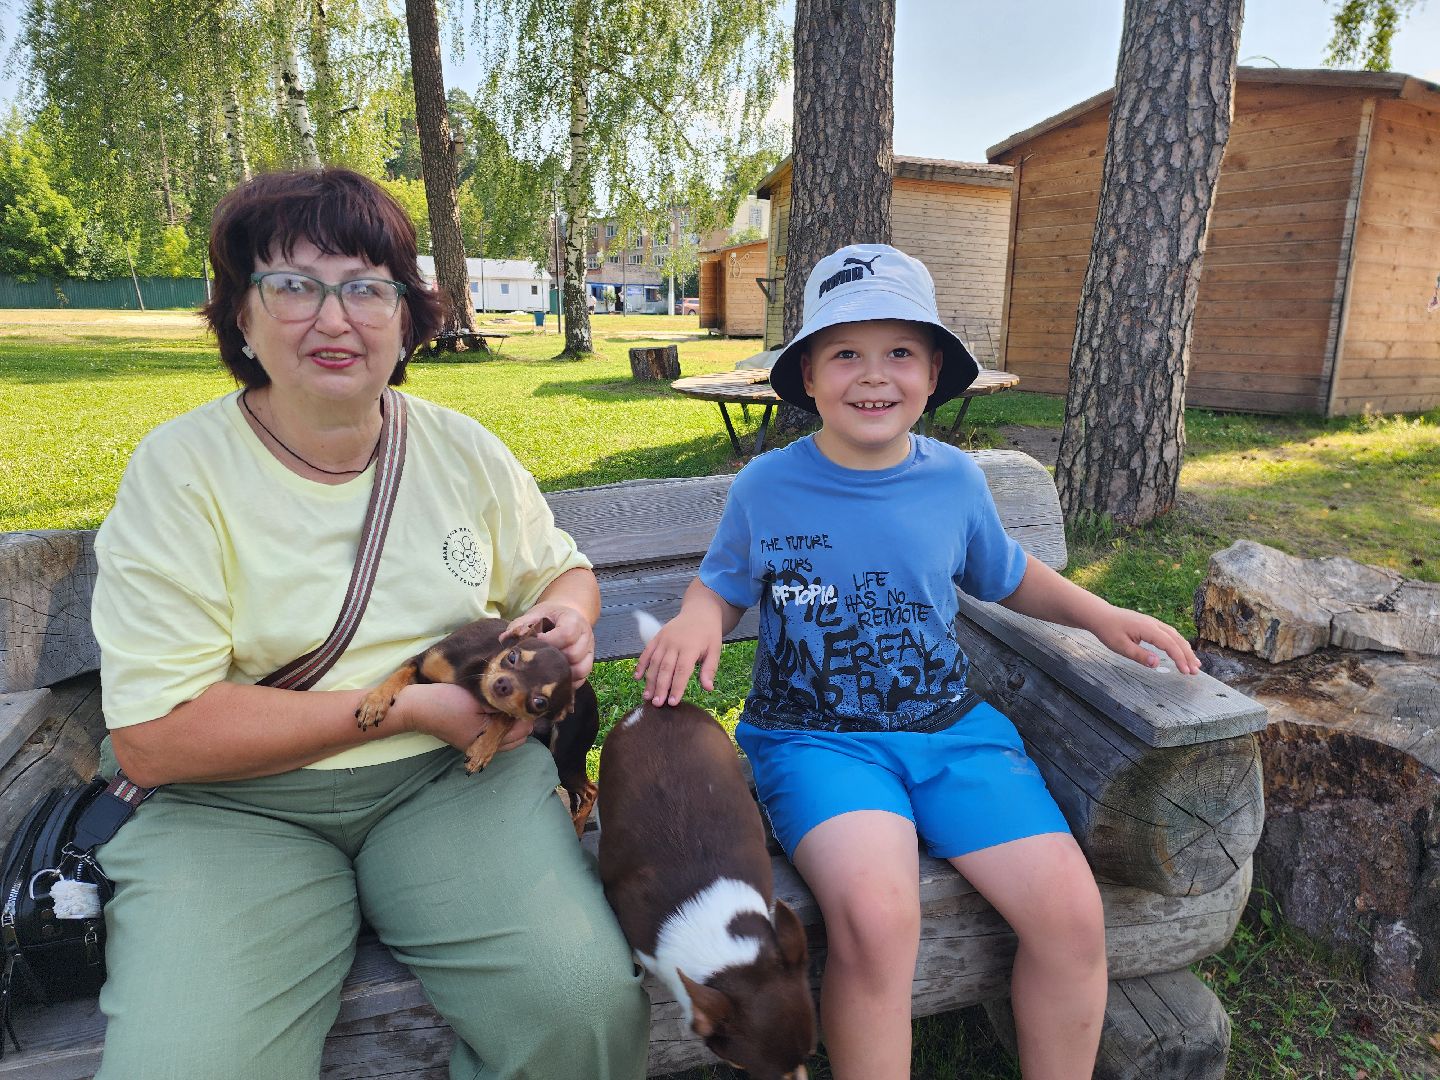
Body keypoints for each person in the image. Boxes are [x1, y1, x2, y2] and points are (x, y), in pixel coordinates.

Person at [88, 168, 649, 1080]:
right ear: (241, 316)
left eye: (364, 288)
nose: (334, 318)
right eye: (293, 286)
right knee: (188, 1063)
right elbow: (152, 740)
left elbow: (558, 569)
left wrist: (568, 615)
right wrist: (410, 709)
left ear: (406, 316)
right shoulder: (180, 473)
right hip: (235, 808)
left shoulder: (462, 448)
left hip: (451, 785)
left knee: (579, 1010)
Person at [635, 244, 1201, 1080]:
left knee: (1072, 917)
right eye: (845, 354)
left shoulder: (956, 482)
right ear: (808, 376)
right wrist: (694, 619)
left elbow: (1008, 576)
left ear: (934, 373)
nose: (873, 376)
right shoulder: (766, 486)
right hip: (817, 744)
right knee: (878, 919)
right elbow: (721, 586)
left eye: (899, 351)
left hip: (953, 735)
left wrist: (1102, 615)